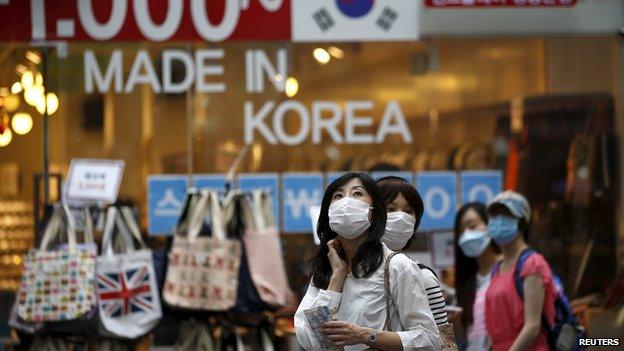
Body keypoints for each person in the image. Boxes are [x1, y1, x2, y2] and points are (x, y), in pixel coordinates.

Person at [295, 172, 441, 351]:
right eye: (338, 196)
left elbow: (429, 339)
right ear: (329, 212)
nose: (347, 202)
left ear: (373, 212)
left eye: (357, 194)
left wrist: (365, 335)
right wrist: (337, 278)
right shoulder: (326, 270)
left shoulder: (396, 265)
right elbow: (315, 342)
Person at [377, 176, 458, 351]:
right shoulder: (349, 271)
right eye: (390, 209)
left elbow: (443, 344)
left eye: (408, 211)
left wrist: (368, 336)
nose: (400, 217)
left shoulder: (423, 277)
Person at [484, 191, 557, 351]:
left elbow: (532, 327)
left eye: (505, 214)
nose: (497, 221)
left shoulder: (532, 263)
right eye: (493, 216)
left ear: (522, 222)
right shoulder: (498, 267)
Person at [453, 203, 501, 351]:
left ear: (490, 225)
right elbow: (465, 339)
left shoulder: (509, 269)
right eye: (461, 231)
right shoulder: (467, 283)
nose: (467, 235)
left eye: (472, 226)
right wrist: (456, 322)